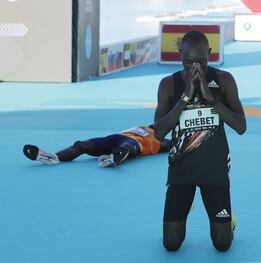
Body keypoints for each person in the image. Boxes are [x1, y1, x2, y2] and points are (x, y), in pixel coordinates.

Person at [154, 31, 247, 252]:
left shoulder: (224, 80)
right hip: (181, 172)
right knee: (171, 243)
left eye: (201, 61)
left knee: (222, 244)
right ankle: (181, 209)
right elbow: (158, 132)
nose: (195, 68)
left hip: (214, 171)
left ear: (210, 54)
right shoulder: (168, 84)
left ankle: (229, 221)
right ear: (180, 56)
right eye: (188, 62)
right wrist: (185, 97)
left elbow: (241, 126)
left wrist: (212, 100)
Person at [23, 125, 171, 167]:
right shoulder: (144, 126)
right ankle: (54, 156)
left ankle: (115, 158)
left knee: (126, 147)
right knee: (82, 145)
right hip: (114, 138)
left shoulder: (162, 141)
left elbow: (174, 145)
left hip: (135, 145)